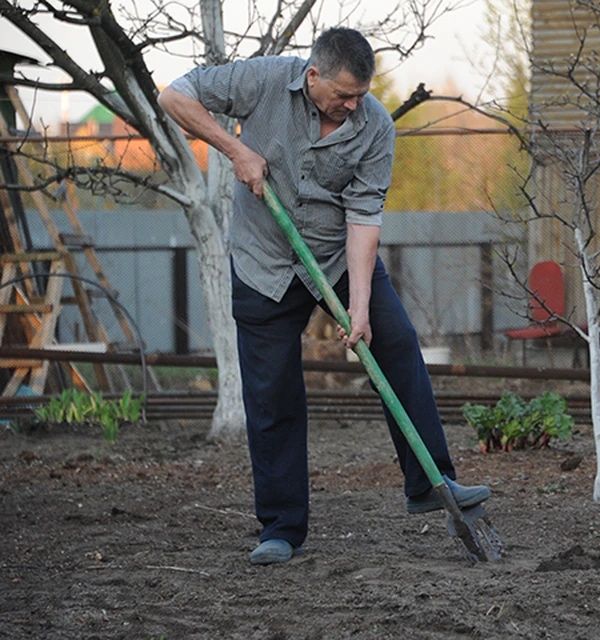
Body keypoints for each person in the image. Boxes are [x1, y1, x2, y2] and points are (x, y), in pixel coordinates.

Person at [158, 27, 490, 565]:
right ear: (312, 76)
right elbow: (174, 95)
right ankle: (281, 527)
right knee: (272, 393)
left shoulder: (375, 125)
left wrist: (359, 308)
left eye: (360, 95)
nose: (352, 105)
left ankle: (431, 482)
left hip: (335, 257)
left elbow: (363, 218)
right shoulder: (263, 80)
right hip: (263, 261)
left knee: (398, 345)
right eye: (342, 95)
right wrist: (237, 150)